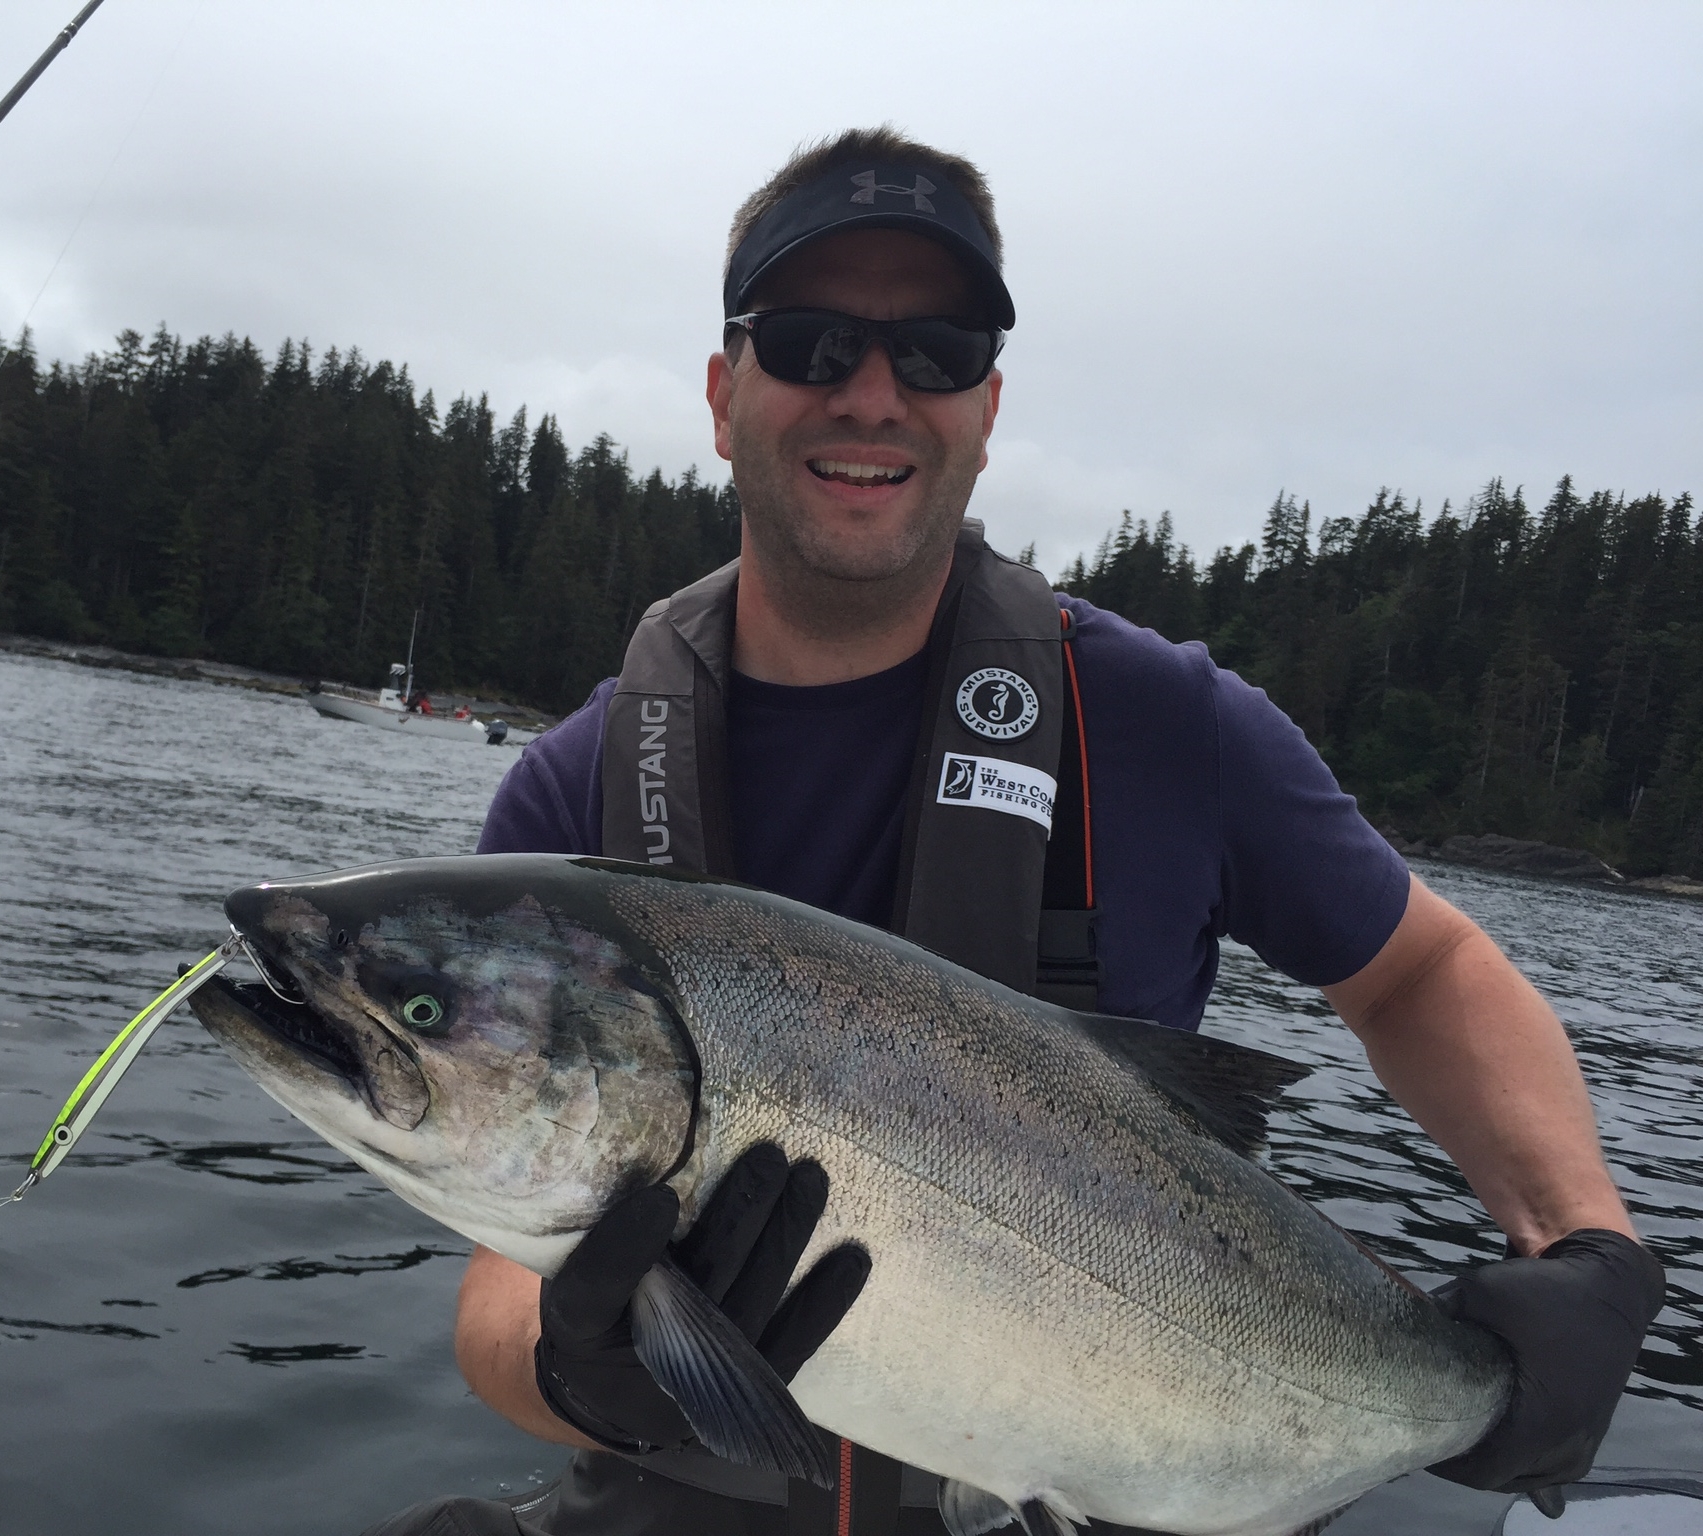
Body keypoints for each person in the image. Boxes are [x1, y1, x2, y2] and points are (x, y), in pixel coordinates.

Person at [365, 128, 1665, 1536]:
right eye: (809, 343)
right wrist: (575, 1366)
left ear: (987, 404)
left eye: (933, 351)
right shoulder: (579, 794)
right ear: (722, 388)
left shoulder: (1168, 723)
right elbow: (500, 1285)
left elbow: (1420, 971)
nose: (872, 396)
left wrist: (1582, 1243)